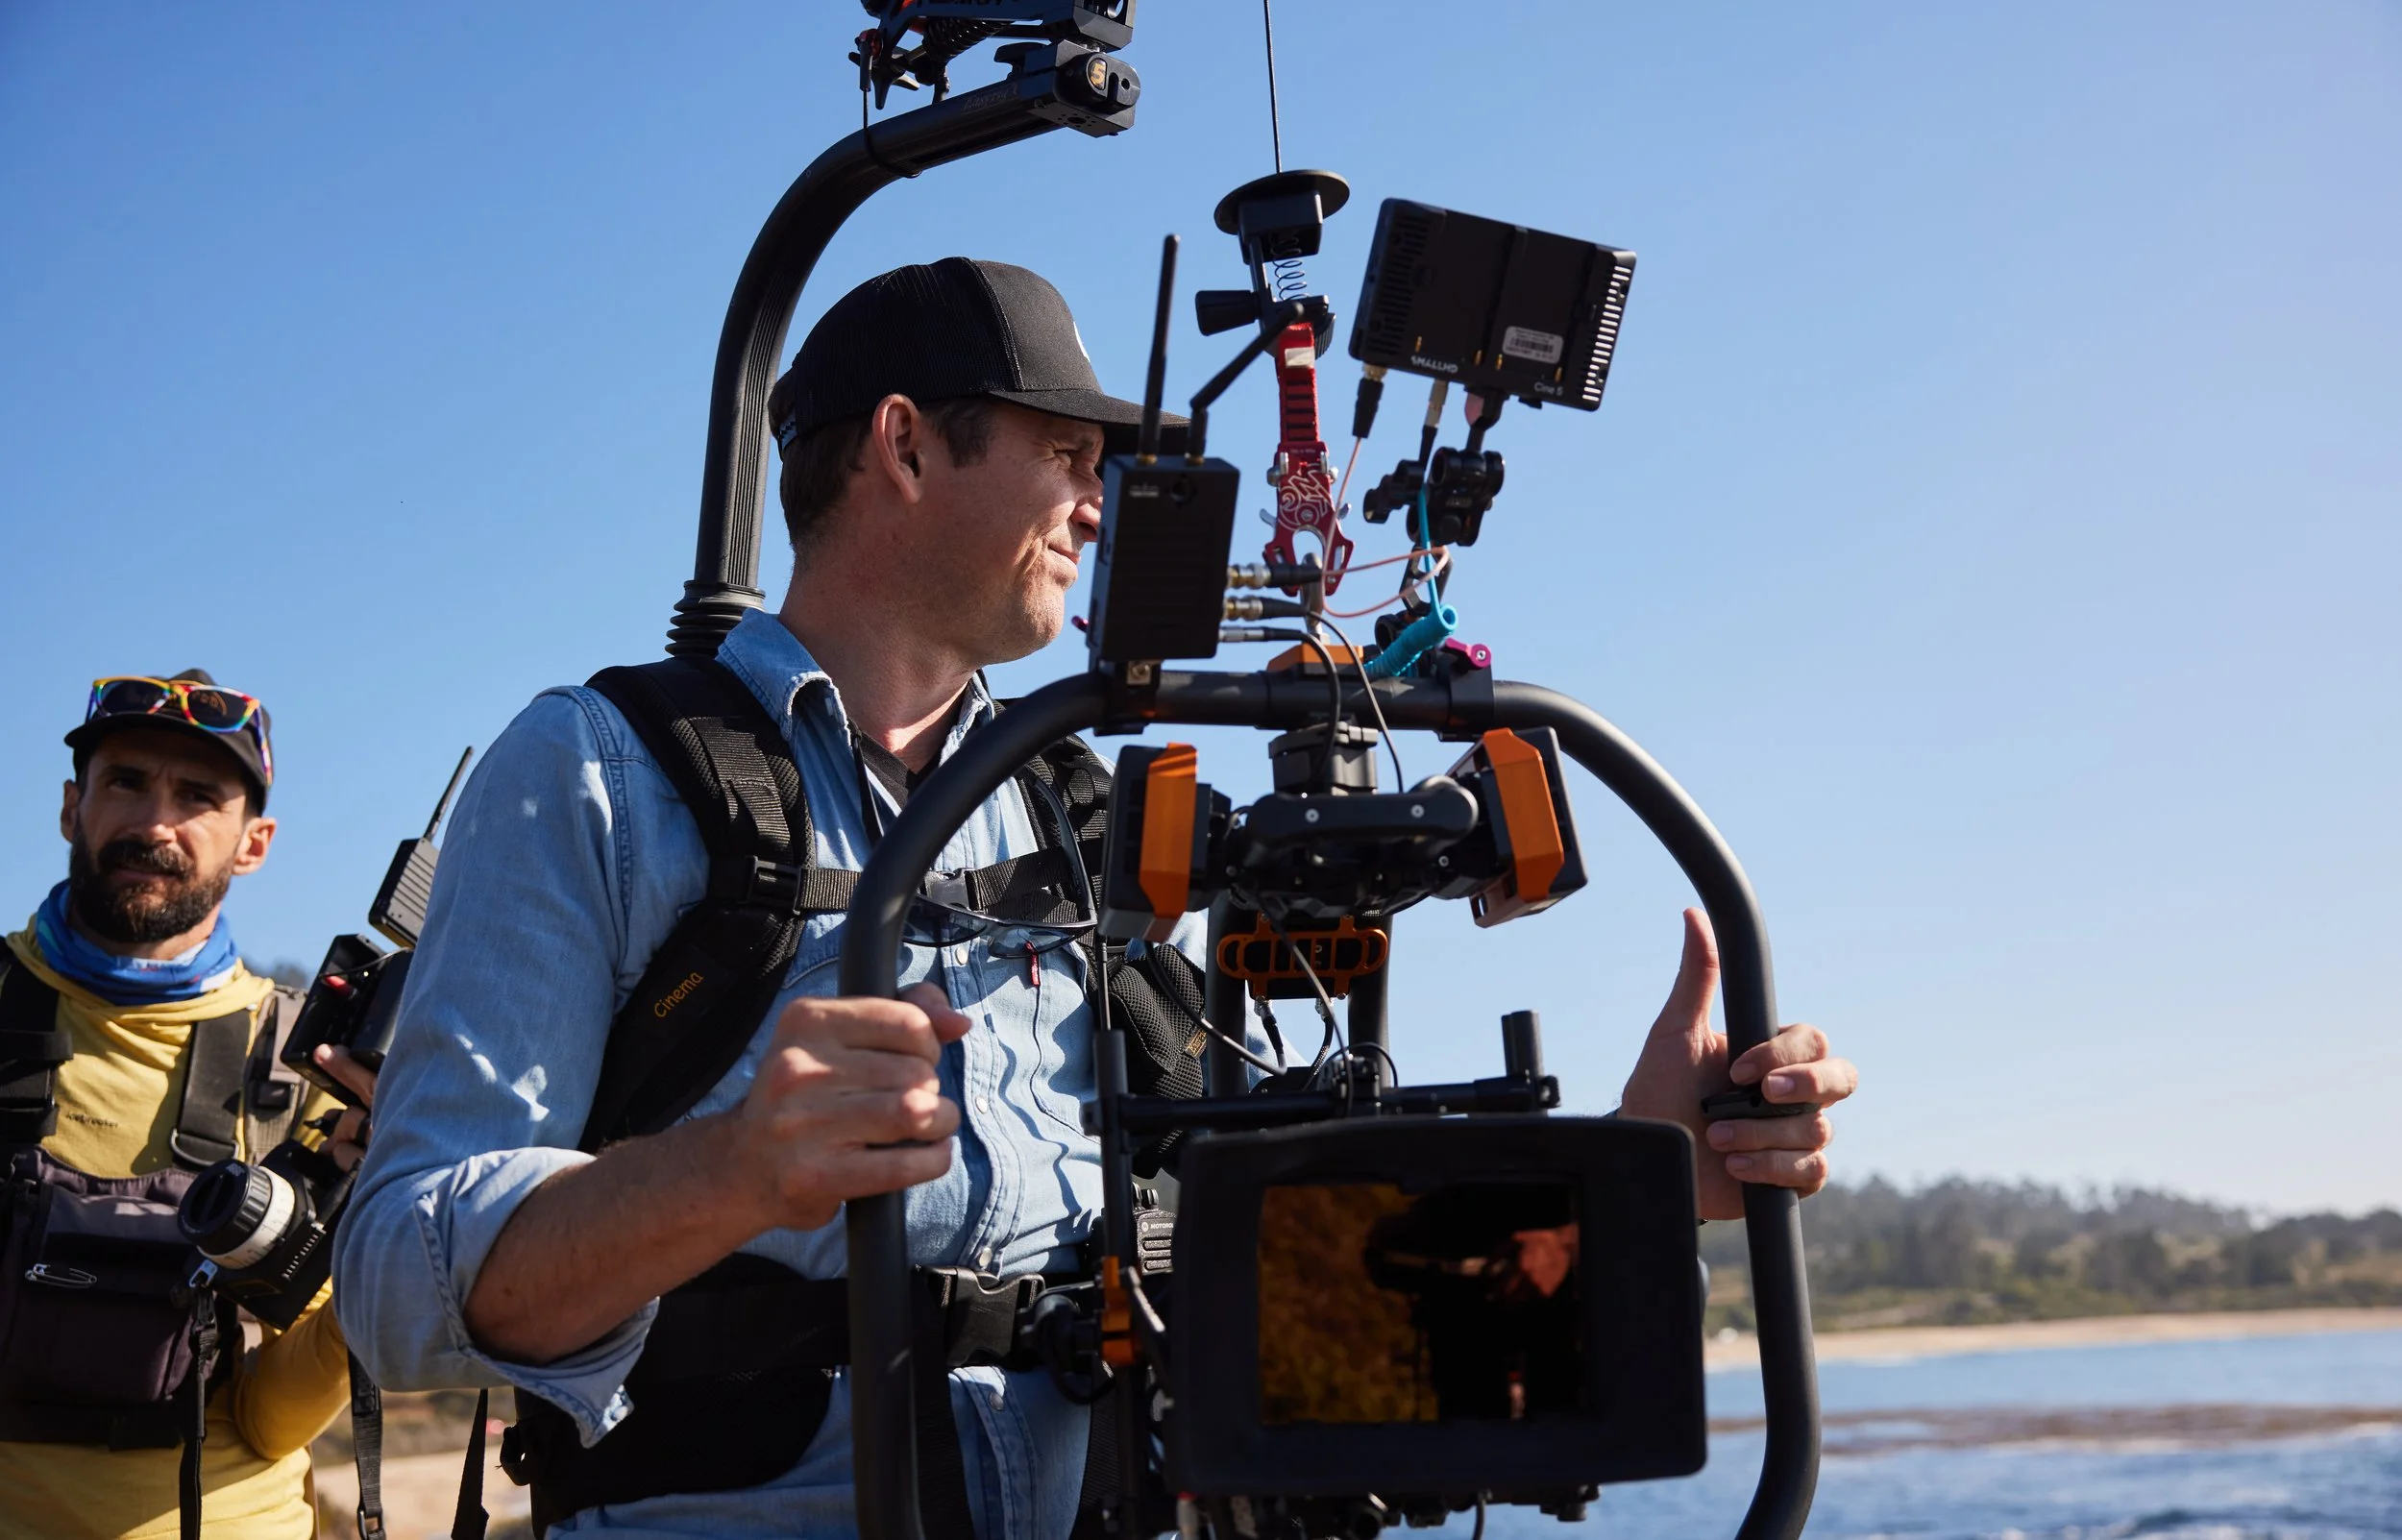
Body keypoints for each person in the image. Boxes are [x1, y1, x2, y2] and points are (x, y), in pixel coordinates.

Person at [337, 259, 1859, 1540]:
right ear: (906, 446)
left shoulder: (1074, 812)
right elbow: (399, 1277)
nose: (1096, 505)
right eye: (1066, 456)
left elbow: (1256, 1281)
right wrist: (733, 1170)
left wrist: (1656, 1184)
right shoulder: (599, 768)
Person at [0, 672, 375, 1540]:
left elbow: (275, 1414)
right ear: (70, 807)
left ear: (255, 843)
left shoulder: (308, 1064)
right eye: (125, 781)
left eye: (198, 796)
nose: (154, 823)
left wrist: (373, 1223)